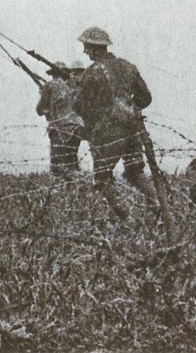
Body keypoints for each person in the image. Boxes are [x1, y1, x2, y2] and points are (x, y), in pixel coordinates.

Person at [74, 26, 161, 221]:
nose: (85, 52)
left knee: (102, 179)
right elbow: (145, 98)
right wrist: (128, 108)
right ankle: (157, 206)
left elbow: (79, 106)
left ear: (96, 48)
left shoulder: (92, 72)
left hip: (107, 134)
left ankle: (127, 218)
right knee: (134, 171)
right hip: (133, 128)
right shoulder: (128, 67)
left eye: (87, 47)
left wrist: (97, 117)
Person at [36, 61, 84, 176]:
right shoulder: (75, 87)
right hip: (77, 128)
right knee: (71, 161)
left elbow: (39, 110)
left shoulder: (50, 85)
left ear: (52, 73)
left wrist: (43, 94)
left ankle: (64, 188)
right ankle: (75, 186)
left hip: (60, 129)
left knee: (58, 166)